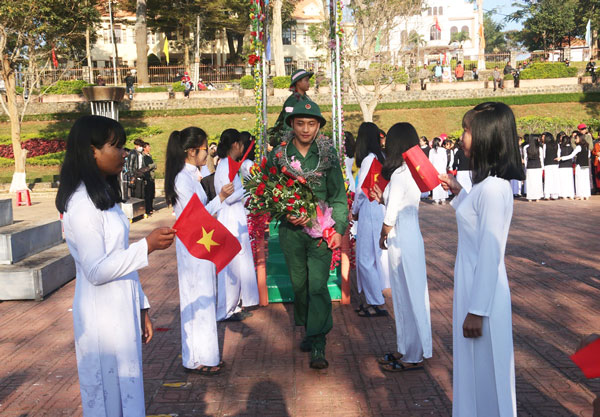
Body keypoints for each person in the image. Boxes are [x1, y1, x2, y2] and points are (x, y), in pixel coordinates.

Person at [56, 115, 176, 416]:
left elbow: (119, 257)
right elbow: (96, 270)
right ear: (91, 151)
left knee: (128, 392)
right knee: (107, 397)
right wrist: (146, 246)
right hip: (101, 316)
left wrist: (141, 306)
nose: (124, 154)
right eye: (116, 147)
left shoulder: (105, 199)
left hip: (122, 306)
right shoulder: (81, 204)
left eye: (124, 147)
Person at [439, 102, 524, 417]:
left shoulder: (491, 189)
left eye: (468, 130)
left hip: (483, 294)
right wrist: (459, 190)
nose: (463, 137)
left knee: (488, 374)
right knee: (477, 370)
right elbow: (476, 225)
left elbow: (490, 251)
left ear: (487, 137)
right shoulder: (485, 187)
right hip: (476, 287)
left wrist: (476, 311)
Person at [267, 99, 348, 369]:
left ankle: (318, 342)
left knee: (317, 286)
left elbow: (338, 196)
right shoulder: (278, 155)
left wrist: (338, 229)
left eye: (311, 124)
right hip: (292, 233)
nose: (305, 129)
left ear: (318, 127)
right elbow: (266, 194)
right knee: (299, 285)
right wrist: (284, 212)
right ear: (292, 124)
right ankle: (307, 326)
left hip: (321, 234)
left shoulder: (328, 155)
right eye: (300, 123)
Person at [164, 126, 234, 375]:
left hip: (199, 242)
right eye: (205, 149)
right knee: (198, 298)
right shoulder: (182, 178)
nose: (208, 153)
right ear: (192, 151)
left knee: (204, 296)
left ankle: (204, 354)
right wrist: (221, 198)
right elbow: (197, 214)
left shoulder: (190, 174)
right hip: (193, 243)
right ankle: (197, 357)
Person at [370, 122, 432, 372]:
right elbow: (401, 201)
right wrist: (382, 197)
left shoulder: (399, 173)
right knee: (409, 295)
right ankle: (407, 348)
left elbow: (392, 212)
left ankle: (413, 353)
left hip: (399, 237)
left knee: (407, 296)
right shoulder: (411, 172)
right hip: (410, 235)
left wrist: (382, 235)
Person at [215, 129, 259, 321]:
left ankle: (235, 304)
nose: (242, 147)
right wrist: (248, 189)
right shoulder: (225, 166)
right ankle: (226, 309)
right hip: (229, 219)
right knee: (231, 265)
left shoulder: (230, 165)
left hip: (236, 217)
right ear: (235, 145)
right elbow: (227, 197)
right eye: (241, 144)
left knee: (239, 262)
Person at [352, 122, 390, 318]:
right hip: (380, 206)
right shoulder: (381, 157)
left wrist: (354, 210)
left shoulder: (368, 160)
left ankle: (375, 302)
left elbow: (361, 191)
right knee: (373, 257)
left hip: (369, 207)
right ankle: (371, 299)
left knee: (366, 258)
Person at [272, 69, 313, 140]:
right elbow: (288, 125)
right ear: (298, 82)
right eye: (306, 80)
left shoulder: (307, 99)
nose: (308, 83)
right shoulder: (291, 102)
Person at [557, 132, 591, 200]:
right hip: (586, 165)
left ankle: (580, 195)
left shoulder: (578, 147)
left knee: (579, 180)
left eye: (576, 138)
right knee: (586, 180)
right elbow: (588, 155)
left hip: (579, 165)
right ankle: (586, 195)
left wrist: (561, 158)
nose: (575, 140)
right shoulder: (587, 146)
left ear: (580, 138)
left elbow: (571, 156)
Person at [523, 134, 543, 201]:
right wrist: (542, 168)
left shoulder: (526, 148)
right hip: (538, 166)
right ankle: (537, 197)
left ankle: (530, 197)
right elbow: (541, 159)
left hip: (530, 166)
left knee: (530, 182)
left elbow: (525, 158)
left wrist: (526, 167)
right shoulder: (539, 148)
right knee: (537, 182)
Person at [429, 137, 448, 204]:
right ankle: (443, 200)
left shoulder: (431, 151)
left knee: (436, 184)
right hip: (442, 169)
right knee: (443, 183)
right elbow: (445, 160)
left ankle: (436, 200)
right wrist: (444, 167)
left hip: (435, 169)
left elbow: (430, 161)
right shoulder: (443, 150)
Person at [542, 132, 560, 200]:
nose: (542, 138)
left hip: (547, 164)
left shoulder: (545, 145)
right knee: (555, 179)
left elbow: (544, 155)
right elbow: (558, 154)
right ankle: (554, 195)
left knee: (548, 180)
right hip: (555, 164)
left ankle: (547, 195)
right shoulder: (557, 144)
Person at [558, 132, 575, 199]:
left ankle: (563, 195)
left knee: (562, 181)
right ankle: (571, 194)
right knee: (569, 181)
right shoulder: (571, 148)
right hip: (569, 166)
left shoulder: (560, 147)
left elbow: (558, 156)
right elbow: (573, 158)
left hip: (561, 166)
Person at [141, 142, 157, 215]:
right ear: (144, 148)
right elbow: (147, 166)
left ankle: (151, 207)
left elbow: (154, 166)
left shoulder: (149, 155)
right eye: (148, 146)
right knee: (147, 193)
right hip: (147, 177)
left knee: (152, 193)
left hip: (152, 176)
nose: (149, 148)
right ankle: (148, 209)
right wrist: (153, 165)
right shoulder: (143, 156)